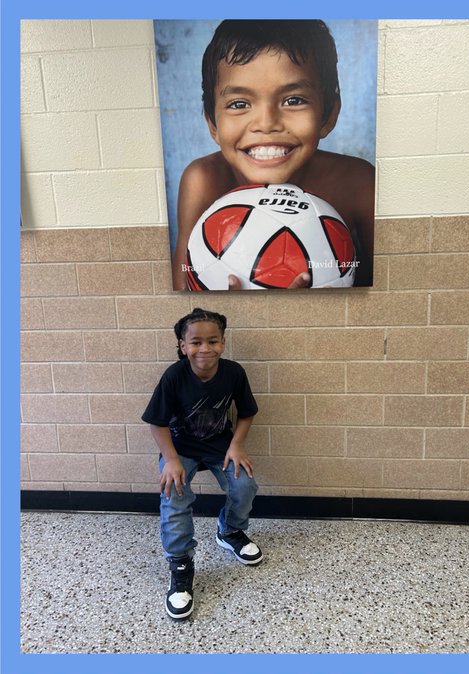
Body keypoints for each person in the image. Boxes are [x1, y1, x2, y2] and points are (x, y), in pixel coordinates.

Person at [171, 20, 375, 291]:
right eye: (239, 104)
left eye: (293, 100)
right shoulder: (204, 180)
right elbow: (183, 289)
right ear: (212, 124)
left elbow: (389, 291)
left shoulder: (357, 182)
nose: (266, 123)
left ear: (328, 114)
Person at [142, 307, 261, 620]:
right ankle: (180, 562)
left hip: (221, 444)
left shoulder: (234, 372)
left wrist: (237, 444)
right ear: (183, 346)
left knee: (245, 484)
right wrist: (169, 459)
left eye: (213, 341)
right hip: (179, 448)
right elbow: (157, 423)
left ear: (223, 343)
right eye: (195, 342)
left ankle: (230, 531)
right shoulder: (174, 376)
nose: (204, 348)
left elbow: (247, 412)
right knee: (174, 494)